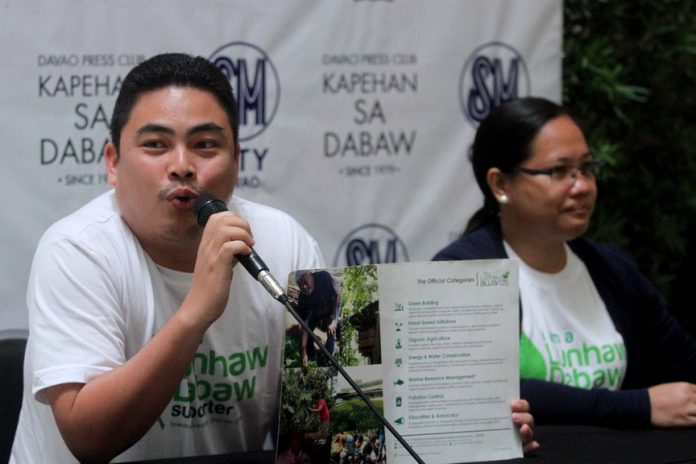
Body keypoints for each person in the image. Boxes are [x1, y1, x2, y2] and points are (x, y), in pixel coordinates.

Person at [10, 53, 325, 463]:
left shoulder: (285, 243)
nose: (181, 166)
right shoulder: (76, 249)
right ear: (113, 163)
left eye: (205, 145)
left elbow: (315, 421)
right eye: (156, 145)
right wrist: (196, 311)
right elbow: (88, 440)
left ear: (237, 162)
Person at [433, 97, 696, 427]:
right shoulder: (461, 272)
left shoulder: (613, 268)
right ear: (501, 184)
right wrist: (636, 406)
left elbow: (682, 364)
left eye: (586, 168)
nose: (583, 186)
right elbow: (481, 391)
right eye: (559, 172)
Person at [295, 270, 342, 366]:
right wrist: (303, 351)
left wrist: (333, 321)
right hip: (317, 310)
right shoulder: (302, 298)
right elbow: (305, 325)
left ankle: (328, 359)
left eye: (305, 281)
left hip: (332, 305)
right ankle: (311, 358)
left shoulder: (324, 277)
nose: (304, 286)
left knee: (331, 330)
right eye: (300, 284)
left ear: (310, 275)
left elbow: (337, 296)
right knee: (308, 333)